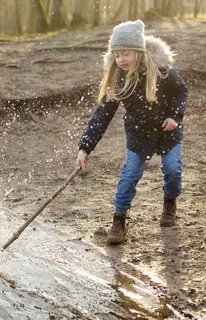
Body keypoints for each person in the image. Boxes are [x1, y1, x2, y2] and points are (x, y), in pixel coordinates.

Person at [76, 20, 188, 245]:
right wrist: (85, 147)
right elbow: (102, 115)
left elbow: (181, 91)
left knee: (173, 168)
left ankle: (169, 202)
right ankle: (119, 220)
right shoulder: (118, 79)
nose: (121, 60)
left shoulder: (161, 70)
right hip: (138, 135)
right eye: (117, 55)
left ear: (138, 51)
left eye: (126, 54)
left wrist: (174, 117)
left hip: (168, 131)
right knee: (130, 174)